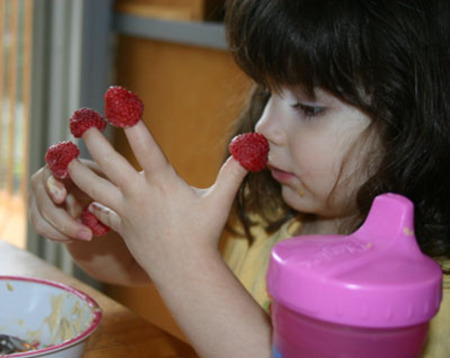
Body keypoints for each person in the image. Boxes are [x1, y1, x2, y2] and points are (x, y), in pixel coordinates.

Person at [29, 0, 450, 356]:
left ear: (410, 121)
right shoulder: (265, 221)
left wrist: (183, 259)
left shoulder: (433, 296)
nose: (264, 129)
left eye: (308, 107)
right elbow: (128, 263)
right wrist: (92, 217)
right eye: (266, 92)